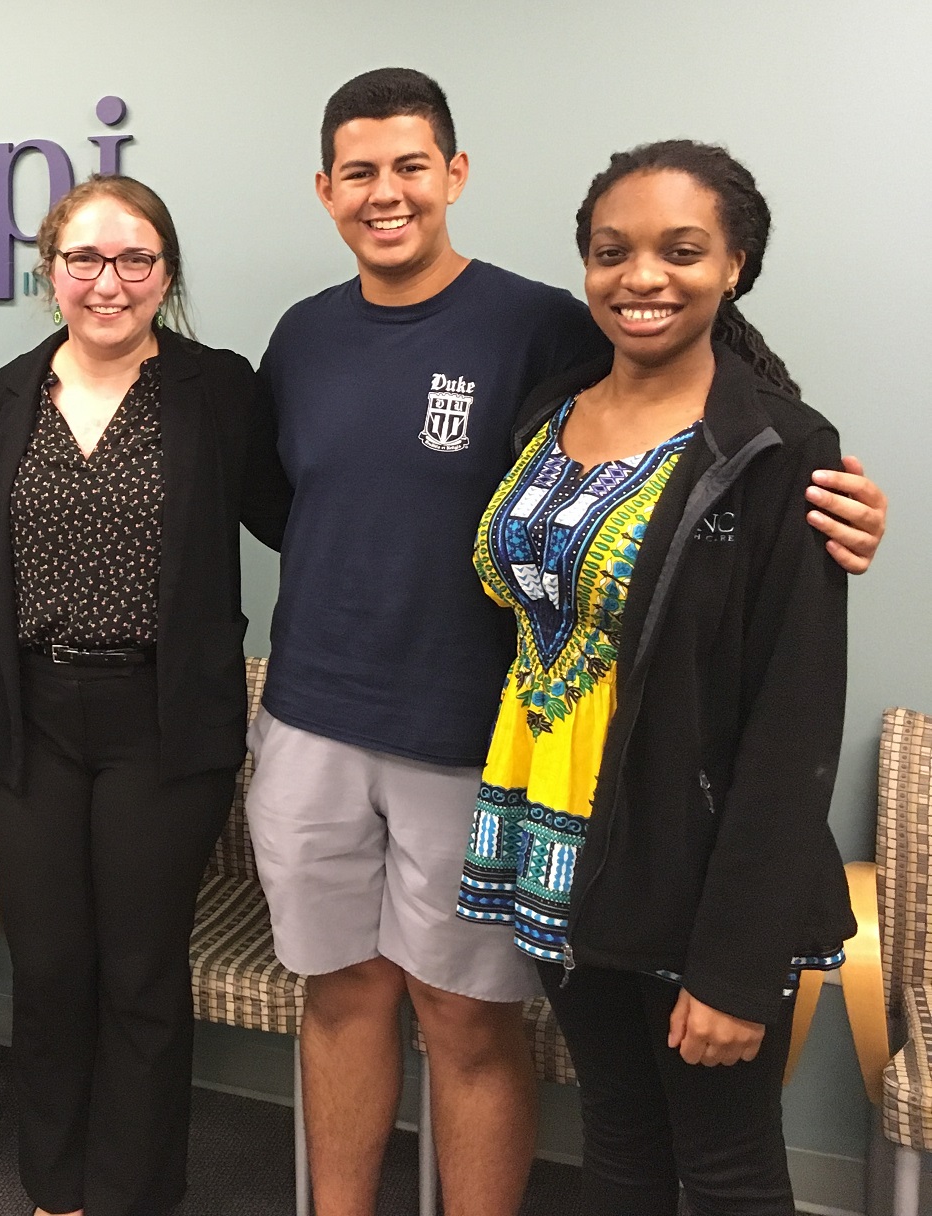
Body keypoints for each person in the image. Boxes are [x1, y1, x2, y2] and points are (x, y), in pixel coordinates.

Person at [243, 69, 889, 1216]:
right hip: (367, 741)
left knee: (472, 1023)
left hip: (482, 748)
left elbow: (717, 489)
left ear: (454, 173)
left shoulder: (544, 326)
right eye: (357, 171)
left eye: (408, 165)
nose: (384, 192)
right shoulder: (310, 340)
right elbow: (293, 503)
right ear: (323, 188)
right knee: (359, 1005)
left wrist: (833, 503)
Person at [456, 139, 855, 1216]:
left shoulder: (775, 449)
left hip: (690, 870)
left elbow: (792, 720)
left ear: (733, 265)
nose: (641, 277)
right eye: (610, 250)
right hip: (554, 840)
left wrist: (733, 964)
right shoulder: (547, 410)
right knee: (618, 1136)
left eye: (680, 250)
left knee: (723, 1169)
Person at [0, 174, 276, 1216]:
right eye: (84, 259)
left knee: (140, 976)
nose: (109, 281)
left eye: (134, 258)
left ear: (166, 272)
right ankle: (55, 1191)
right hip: (33, 719)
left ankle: (134, 1195)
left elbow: (307, 512)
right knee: (50, 967)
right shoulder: (5, 396)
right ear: (51, 270)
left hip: (161, 721)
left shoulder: (217, 391)